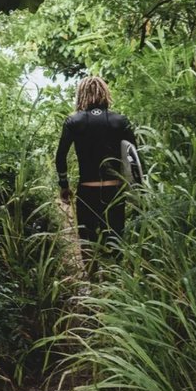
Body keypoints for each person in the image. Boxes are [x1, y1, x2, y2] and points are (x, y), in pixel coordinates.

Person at [55, 76, 137, 262]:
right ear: (105, 93)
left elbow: (60, 157)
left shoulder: (73, 121)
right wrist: (136, 190)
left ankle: (92, 283)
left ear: (81, 94)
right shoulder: (120, 121)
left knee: (87, 240)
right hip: (114, 191)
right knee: (115, 240)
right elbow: (134, 157)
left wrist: (64, 185)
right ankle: (114, 284)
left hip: (87, 189)